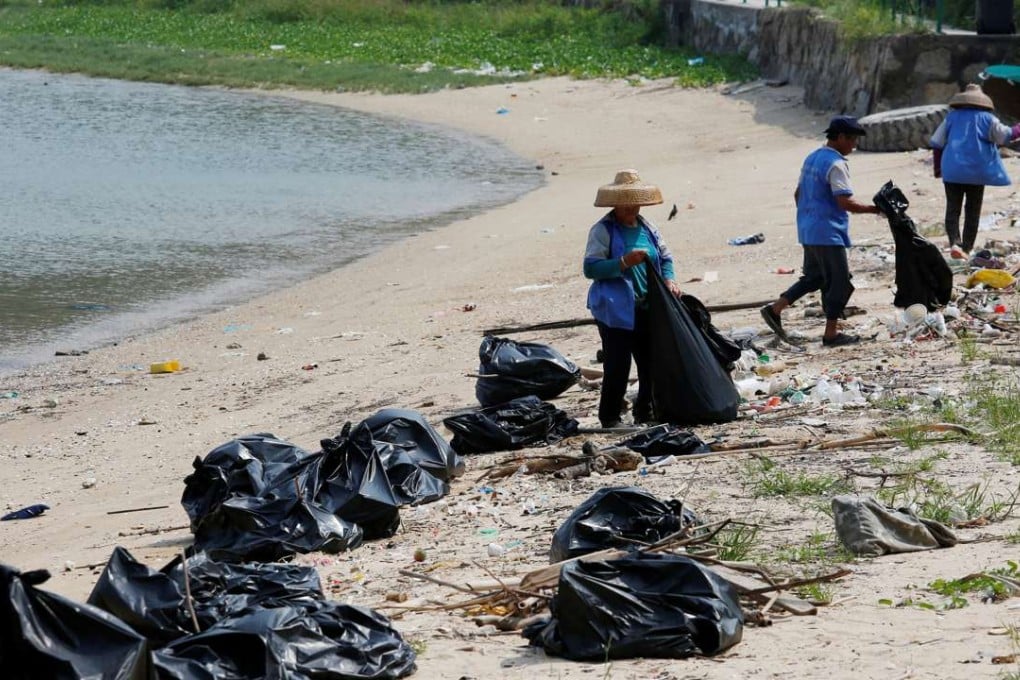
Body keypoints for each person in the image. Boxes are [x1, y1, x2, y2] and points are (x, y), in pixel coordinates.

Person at [760, 115, 881, 348]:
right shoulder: (837, 164)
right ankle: (831, 334)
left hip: (808, 229)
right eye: (853, 140)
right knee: (840, 282)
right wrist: (877, 209)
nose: (854, 145)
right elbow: (845, 203)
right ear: (840, 137)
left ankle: (775, 309)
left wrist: (810, 216)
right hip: (828, 232)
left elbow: (798, 194)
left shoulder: (812, 158)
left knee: (815, 277)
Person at [583, 169, 682, 428]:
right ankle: (610, 417)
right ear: (615, 203)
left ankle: (645, 411)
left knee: (649, 361)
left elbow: (666, 257)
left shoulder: (647, 227)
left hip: (648, 306)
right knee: (618, 364)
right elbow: (591, 268)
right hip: (615, 309)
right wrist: (624, 262)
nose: (631, 208)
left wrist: (670, 280)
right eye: (625, 203)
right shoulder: (603, 230)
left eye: (634, 202)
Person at [930, 83, 1020, 260]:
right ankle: (967, 248)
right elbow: (1006, 136)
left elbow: (936, 142)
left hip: (952, 170)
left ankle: (955, 243)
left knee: (953, 209)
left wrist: (937, 168)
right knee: (972, 210)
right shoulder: (988, 118)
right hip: (977, 172)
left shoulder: (951, 117)